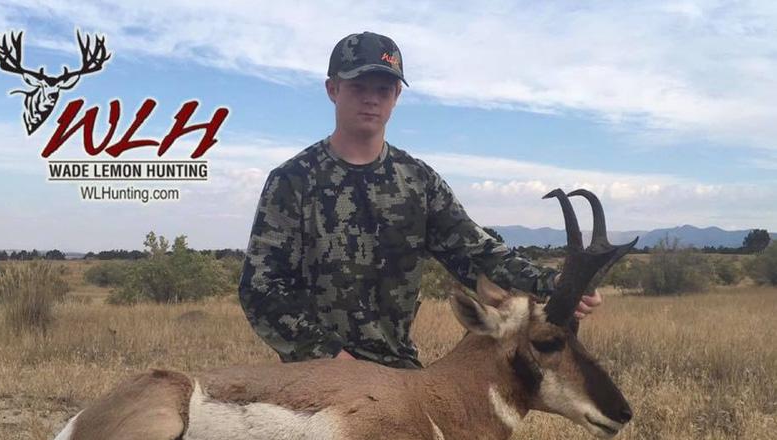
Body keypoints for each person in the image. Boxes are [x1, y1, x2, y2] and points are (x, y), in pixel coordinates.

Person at [239, 31, 601, 369]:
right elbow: (262, 289)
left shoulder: (417, 181)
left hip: (398, 369)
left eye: (383, 88)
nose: (371, 98)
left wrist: (552, 282)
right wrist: (330, 357)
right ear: (333, 89)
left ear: (396, 95)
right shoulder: (292, 181)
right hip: (317, 377)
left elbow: (475, 252)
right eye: (358, 86)